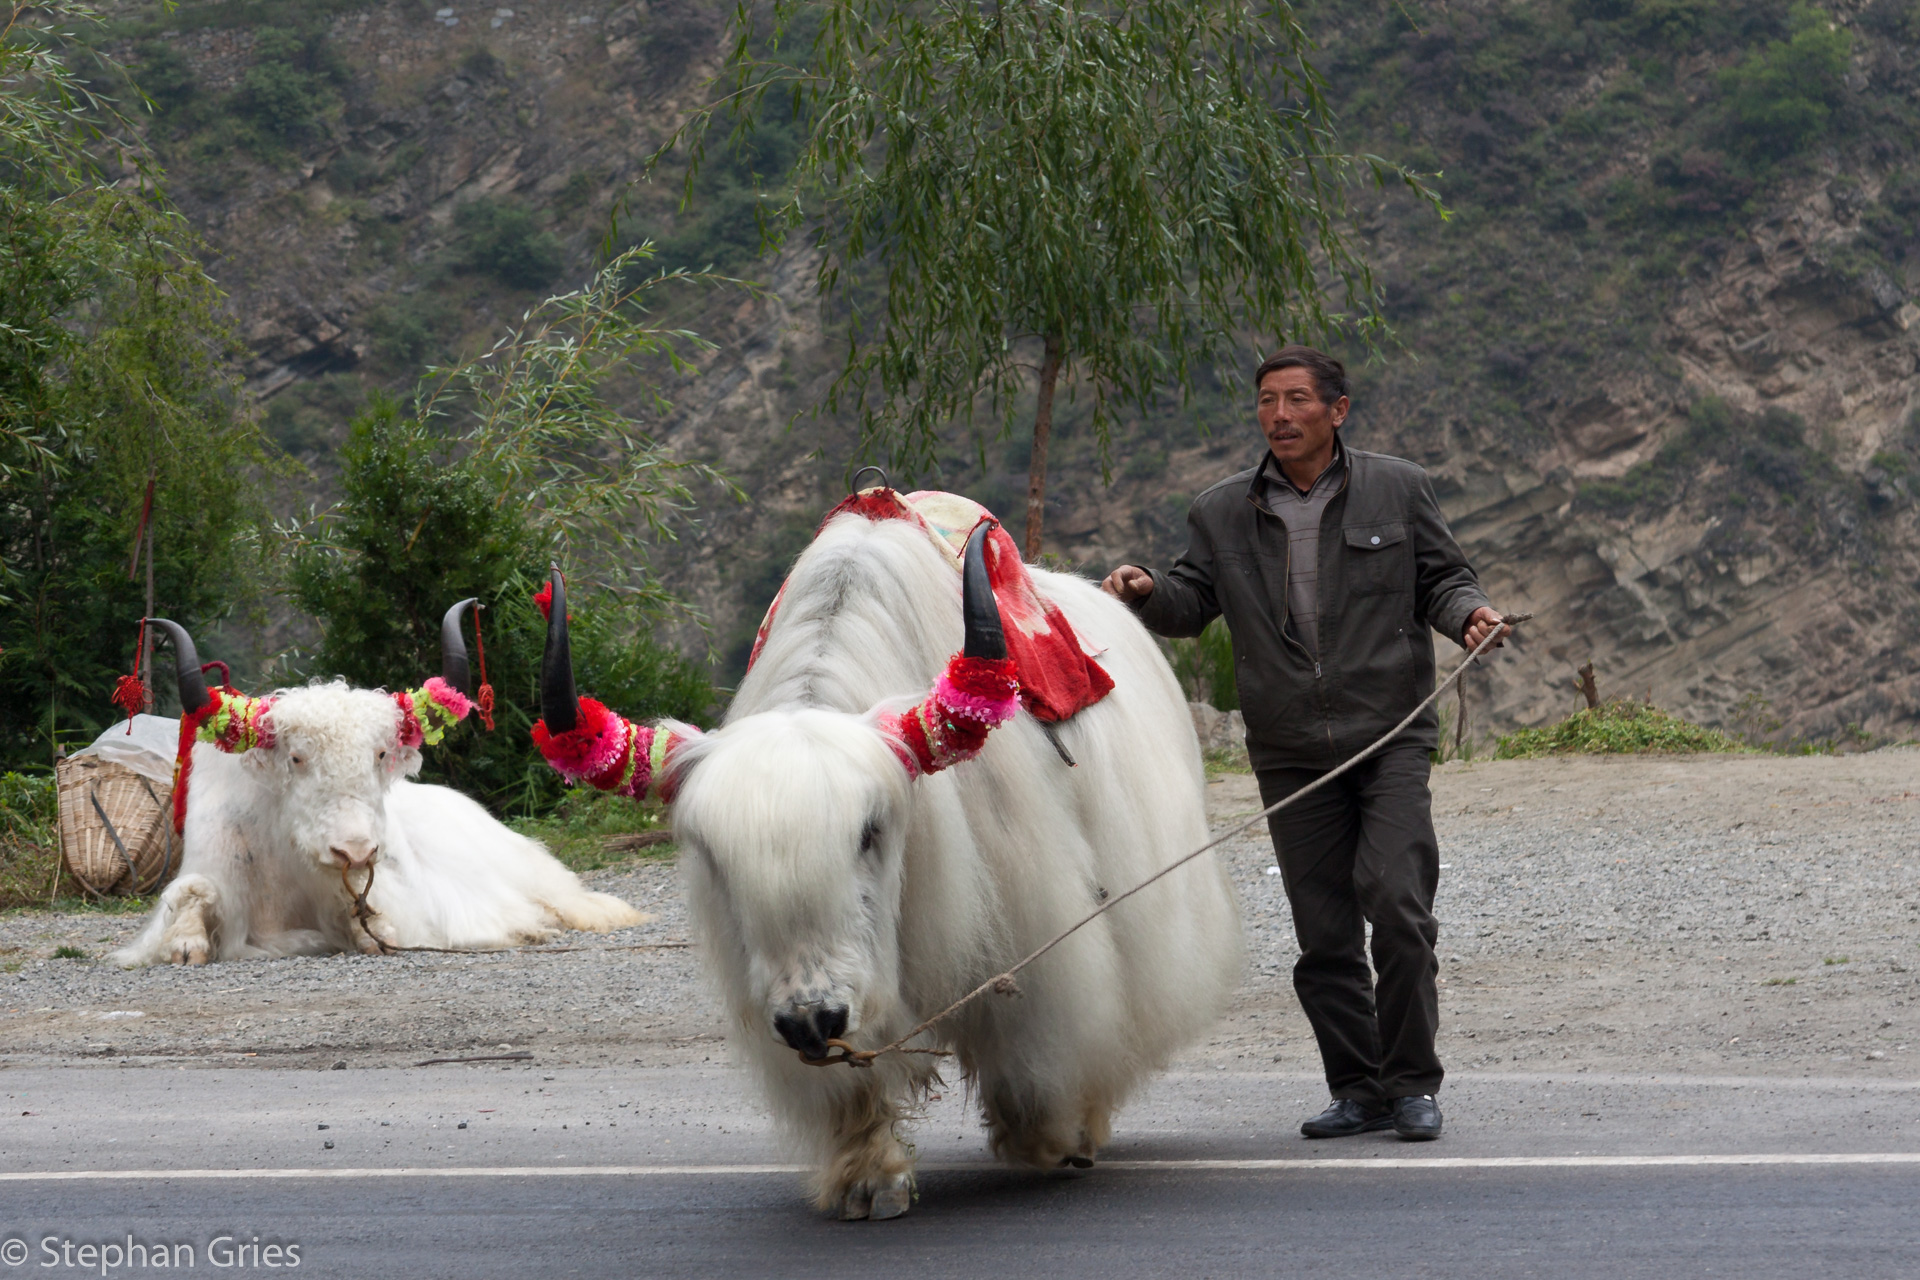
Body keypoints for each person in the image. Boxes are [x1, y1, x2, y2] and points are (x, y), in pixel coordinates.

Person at [1101, 345, 1505, 1142]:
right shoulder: (1221, 510)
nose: (1278, 416)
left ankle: (1414, 1083)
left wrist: (1470, 616)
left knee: (1395, 901)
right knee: (1322, 929)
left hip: (1386, 735)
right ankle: (1358, 1090)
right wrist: (1147, 591)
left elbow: (1443, 579)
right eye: (1265, 402)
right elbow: (1192, 600)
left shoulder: (1398, 488)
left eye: (1295, 401)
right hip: (1287, 747)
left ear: (1338, 410)